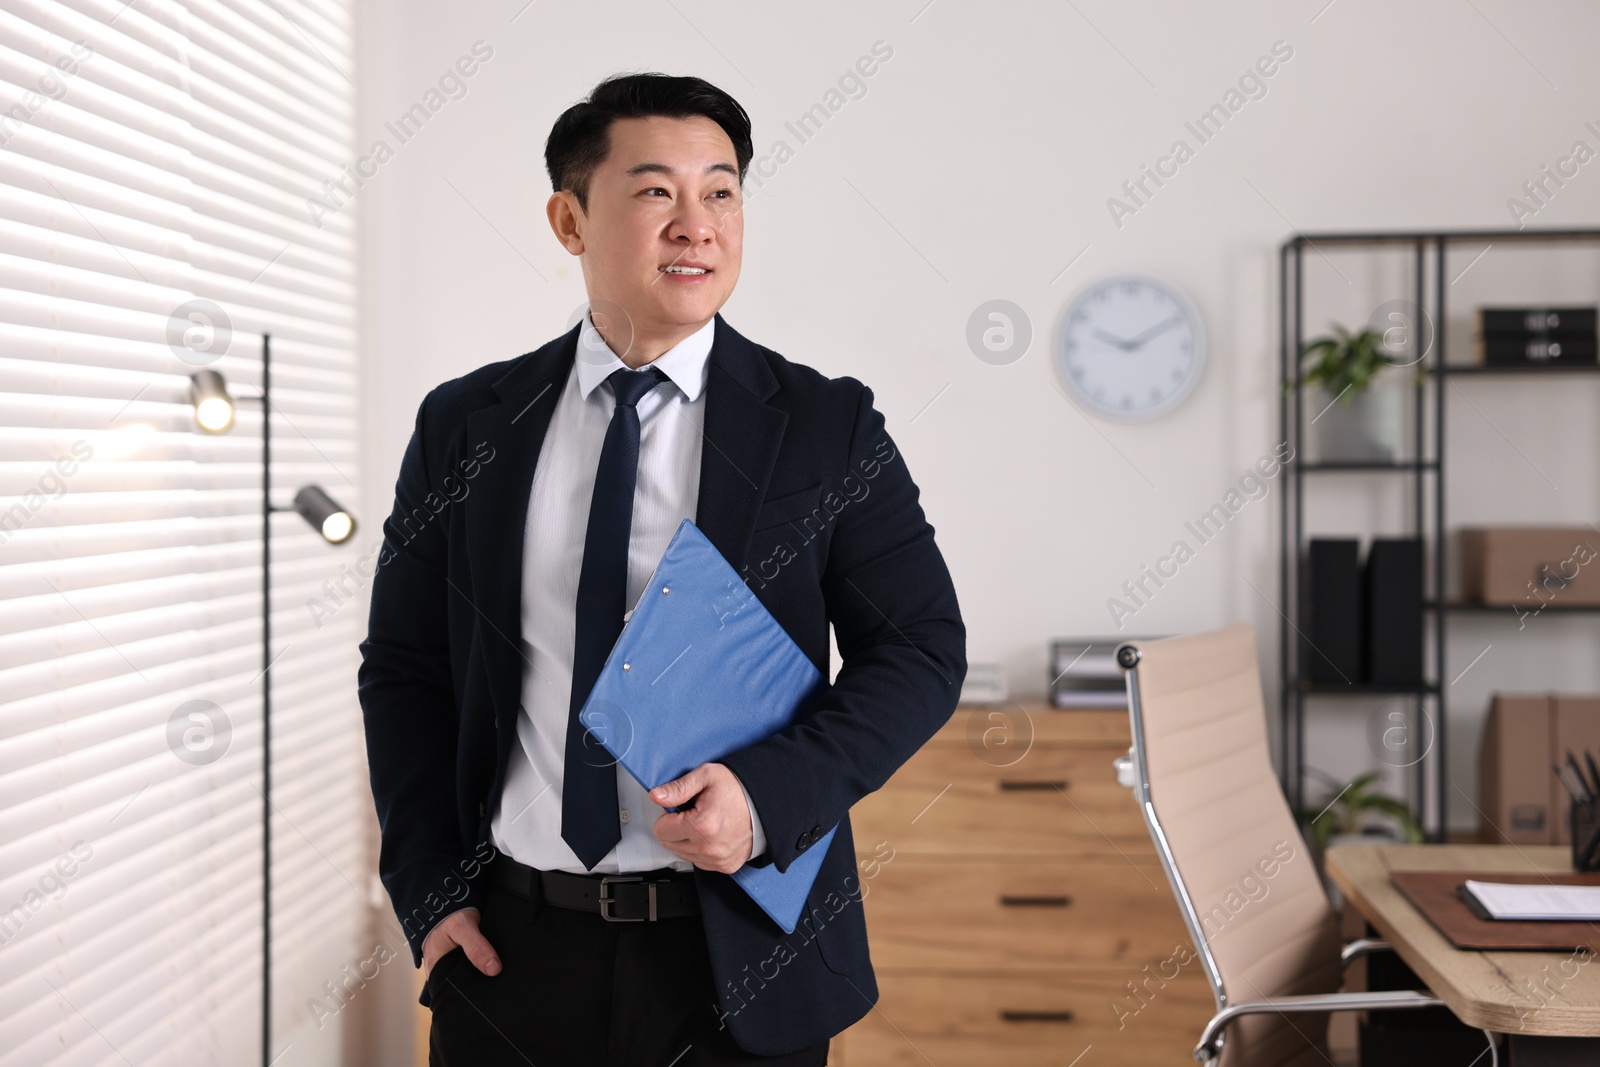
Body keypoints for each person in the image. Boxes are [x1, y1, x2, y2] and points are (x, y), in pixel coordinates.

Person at [357, 71, 966, 1066]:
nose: (697, 225)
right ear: (569, 219)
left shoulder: (823, 427)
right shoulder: (467, 424)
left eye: (720, 192)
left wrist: (769, 794)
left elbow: (921, 650)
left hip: (737, 960)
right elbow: (406, 666)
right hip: (514, 955)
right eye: (654, 192)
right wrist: (429, 889)